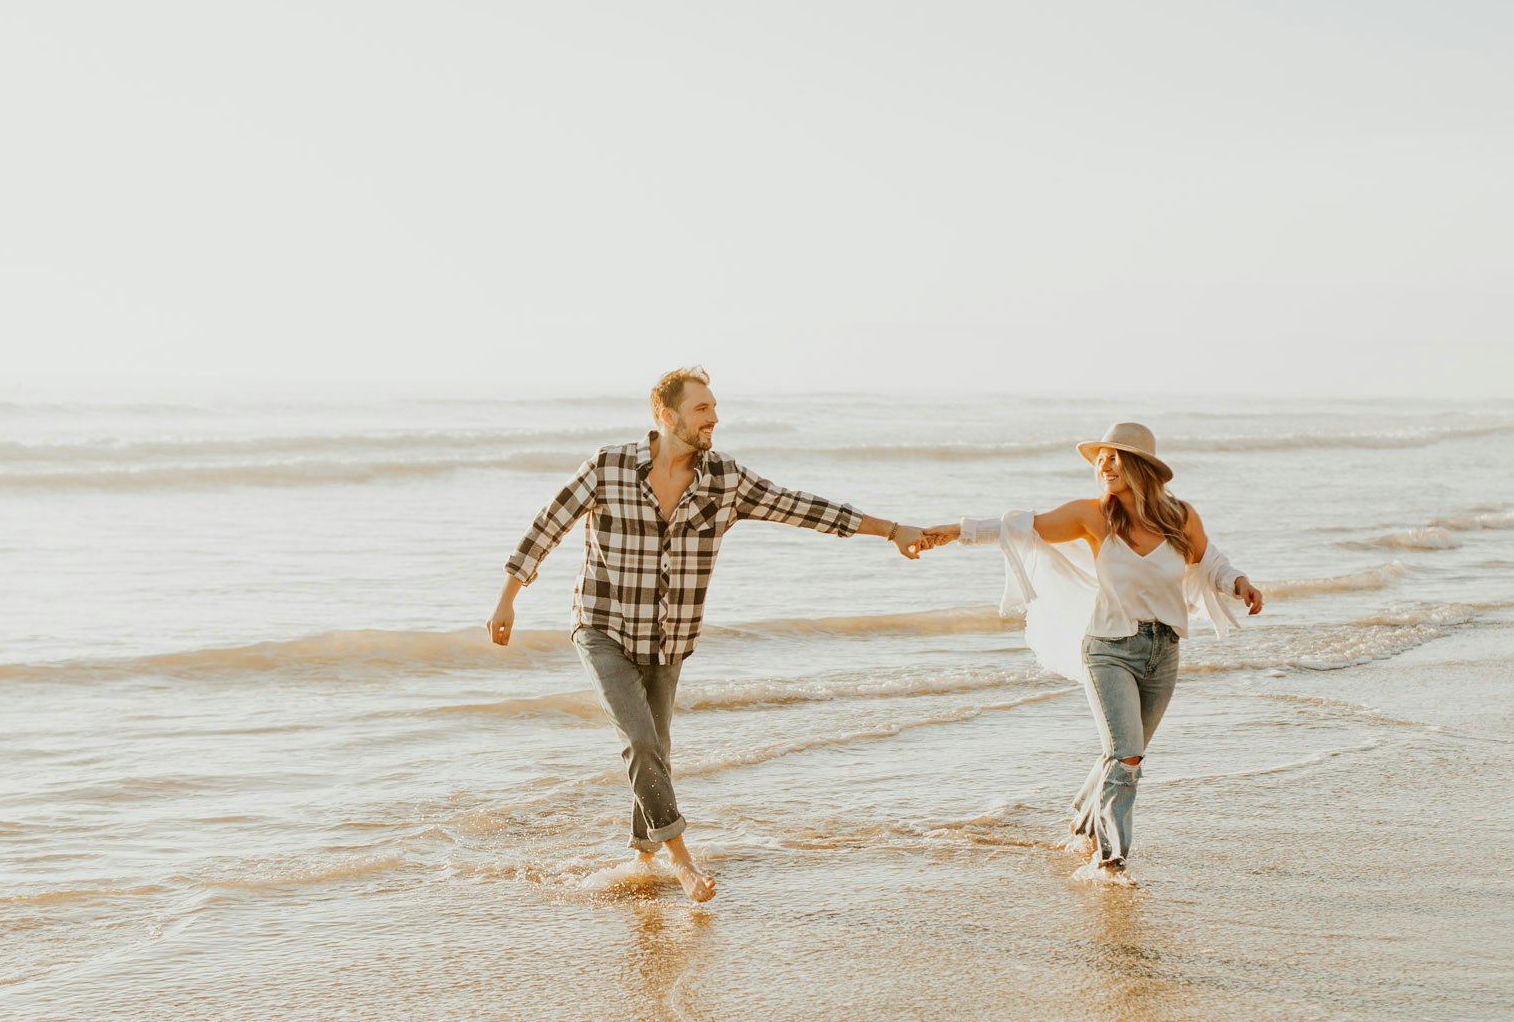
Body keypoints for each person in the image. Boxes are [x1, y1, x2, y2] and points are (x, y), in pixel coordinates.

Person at [488, 367, 929, 902]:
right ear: (666, 416)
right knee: (641, 741)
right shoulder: (609, 467)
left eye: (715, 409)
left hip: (669, 637)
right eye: (703, 409)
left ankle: (640, 859)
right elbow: (548, 524)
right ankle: (683, 864)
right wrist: (508, 597)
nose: (715, 418)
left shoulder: (725, 481)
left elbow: (804, 508)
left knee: (656, 749)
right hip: (602, 625)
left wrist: (891, 530)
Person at [920, 422, 1262, 885]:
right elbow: (1019, 528)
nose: (1104, 464)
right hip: (1109, 650)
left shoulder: (1180, 517)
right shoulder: (1094, 516)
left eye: (1115, 456)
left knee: (1124, 754)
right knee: (1127, 757)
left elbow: (1209, 561)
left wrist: (1237, 583)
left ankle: (1081, 822)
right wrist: (954, 531)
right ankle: (1110, 860)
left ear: (1141, 467)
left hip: (1164, 652)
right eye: (1101, 457)